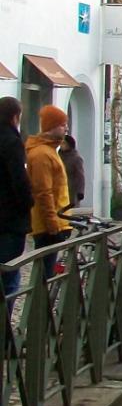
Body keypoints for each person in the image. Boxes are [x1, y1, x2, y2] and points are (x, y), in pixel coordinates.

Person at [26, 105, 72, 250]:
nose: (66, 129)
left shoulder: (50, 151)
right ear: (52, 126)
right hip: (47, 226)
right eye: (63, 125)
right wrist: (53, 224)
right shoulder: (42, 154)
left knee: (49, 269)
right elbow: (43, 192)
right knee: (46, 270)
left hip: (57, 221)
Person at [0, 97, 31, 306]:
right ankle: (5, 334)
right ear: (14, 117)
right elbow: (19, 180)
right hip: (10, 220)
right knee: (9, 277)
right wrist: (28, 202)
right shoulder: (12, 141)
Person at [60, 134, 86, 208]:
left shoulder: (76, 158)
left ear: (69, 145)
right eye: (61, 143)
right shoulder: (58, 156)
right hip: (59, 189)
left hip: (71, 190)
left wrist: (80, 192)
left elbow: (80, 176)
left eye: (64, 143)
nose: (61, 145)